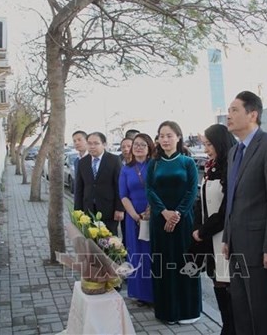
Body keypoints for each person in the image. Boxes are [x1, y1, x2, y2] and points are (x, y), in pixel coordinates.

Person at [222, 91, 267, 335]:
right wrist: (227, 238)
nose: (228, 116)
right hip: (237, 244)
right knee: (241, 309)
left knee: (262, 311)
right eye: (229, 111)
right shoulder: (234, 152)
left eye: (234, 110)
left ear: (253, 114)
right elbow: (232, 199)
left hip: (261, 247)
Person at [146, 120, 201, 325]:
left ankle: (189, 310)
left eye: (169, 135)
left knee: (186, 263)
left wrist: (177, 214)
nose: (165, 139)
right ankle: (166, 311)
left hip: (183, 222)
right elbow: (149, 190)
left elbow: (192, 190)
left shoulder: (187, 162)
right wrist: (164, 213)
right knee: (163, 264)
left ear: (178, 137)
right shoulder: (155, 163)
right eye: (161, 136)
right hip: (160, 222)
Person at [192, 124, 237, 335]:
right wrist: (198, 228)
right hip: (210, 238)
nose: (207, 149)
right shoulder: (212, 166)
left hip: (224, 237)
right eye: (204, 144)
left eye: (209, 144)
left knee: (228, 290)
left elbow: (225, 207)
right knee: (218, 285)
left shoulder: (231, 166)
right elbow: (203, 202)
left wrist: (203, 231)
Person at [118, 133, 155, 305]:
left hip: (154, 215)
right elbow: (124, 195)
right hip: (133, 218)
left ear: (149, 148)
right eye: (136, 145)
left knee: (152, 254)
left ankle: (156, 293)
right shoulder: (126, 169)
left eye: (143, 145)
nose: (138, 147)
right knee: (137, 255)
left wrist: (149, 212)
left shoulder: (155, 165)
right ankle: (141, 294)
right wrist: (134, 215)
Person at [74, 132, 124, 235]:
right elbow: (79, 188)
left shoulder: (114, 160)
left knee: (110, 242)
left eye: (96, 143)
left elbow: (119, 186)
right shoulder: (82, 162)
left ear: (104, 144)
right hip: (88, 210)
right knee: (91, 243)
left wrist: (119, 209)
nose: (92, 146)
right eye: (89, 143)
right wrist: (77, 211)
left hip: (109, 210)